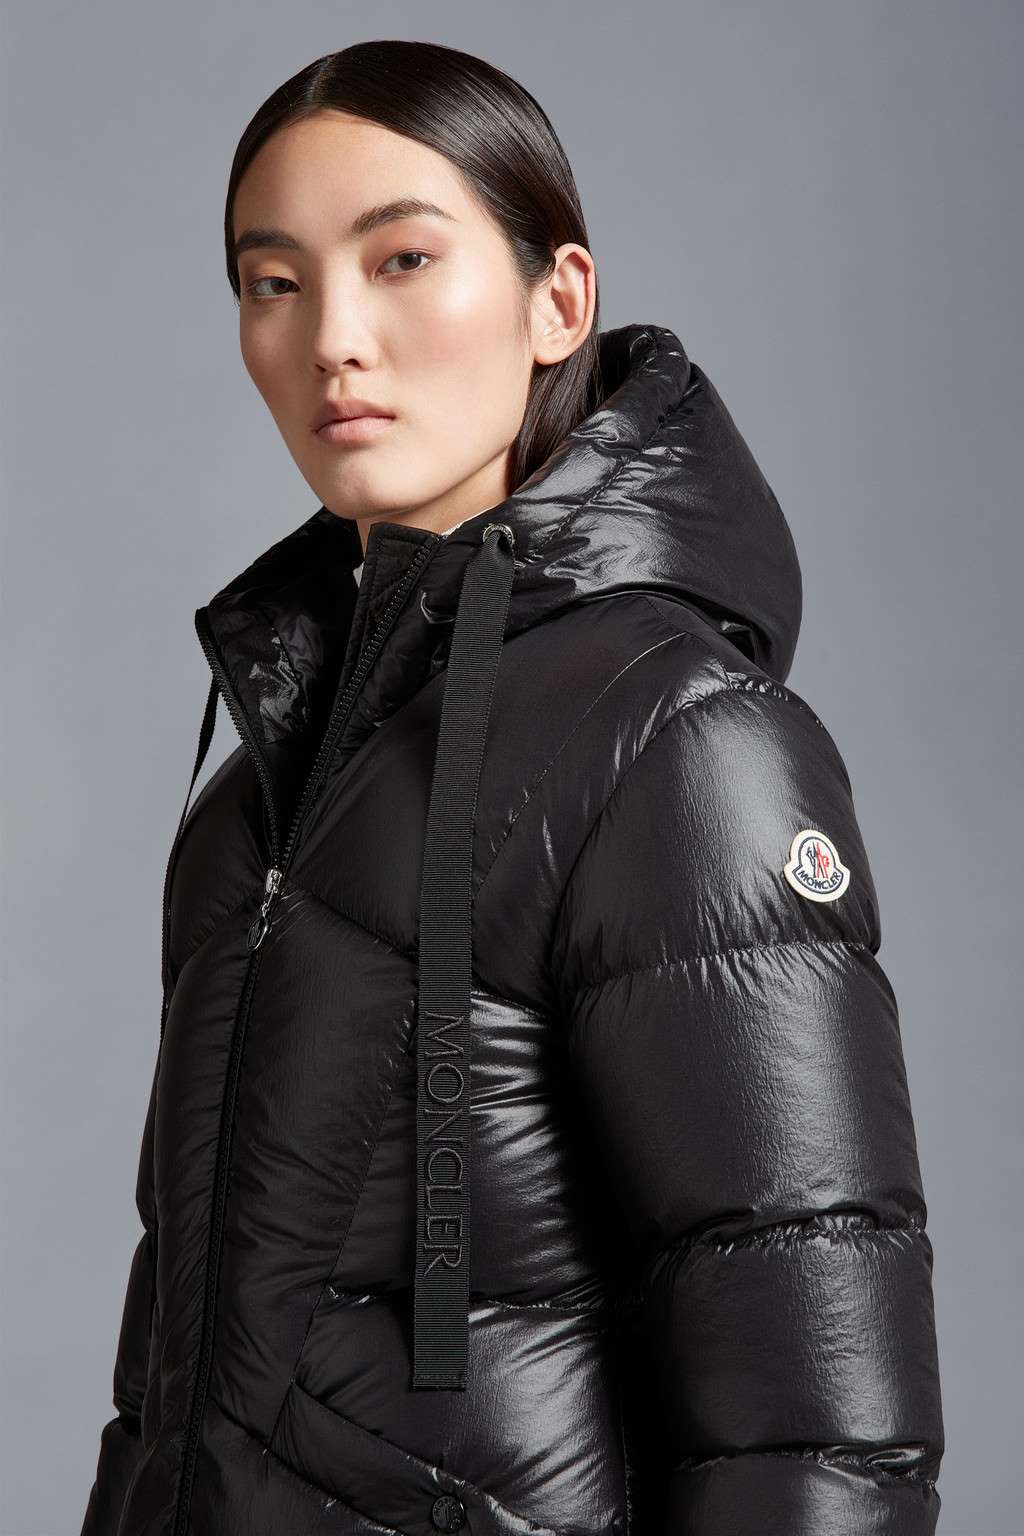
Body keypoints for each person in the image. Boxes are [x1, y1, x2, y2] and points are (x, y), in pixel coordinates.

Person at [80, 37, 945, 1536]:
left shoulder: (680, 739)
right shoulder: (252, 799)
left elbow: (815, 1432)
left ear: (561, 301)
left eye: (403, 259)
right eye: (272, 281)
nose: (332, 337)